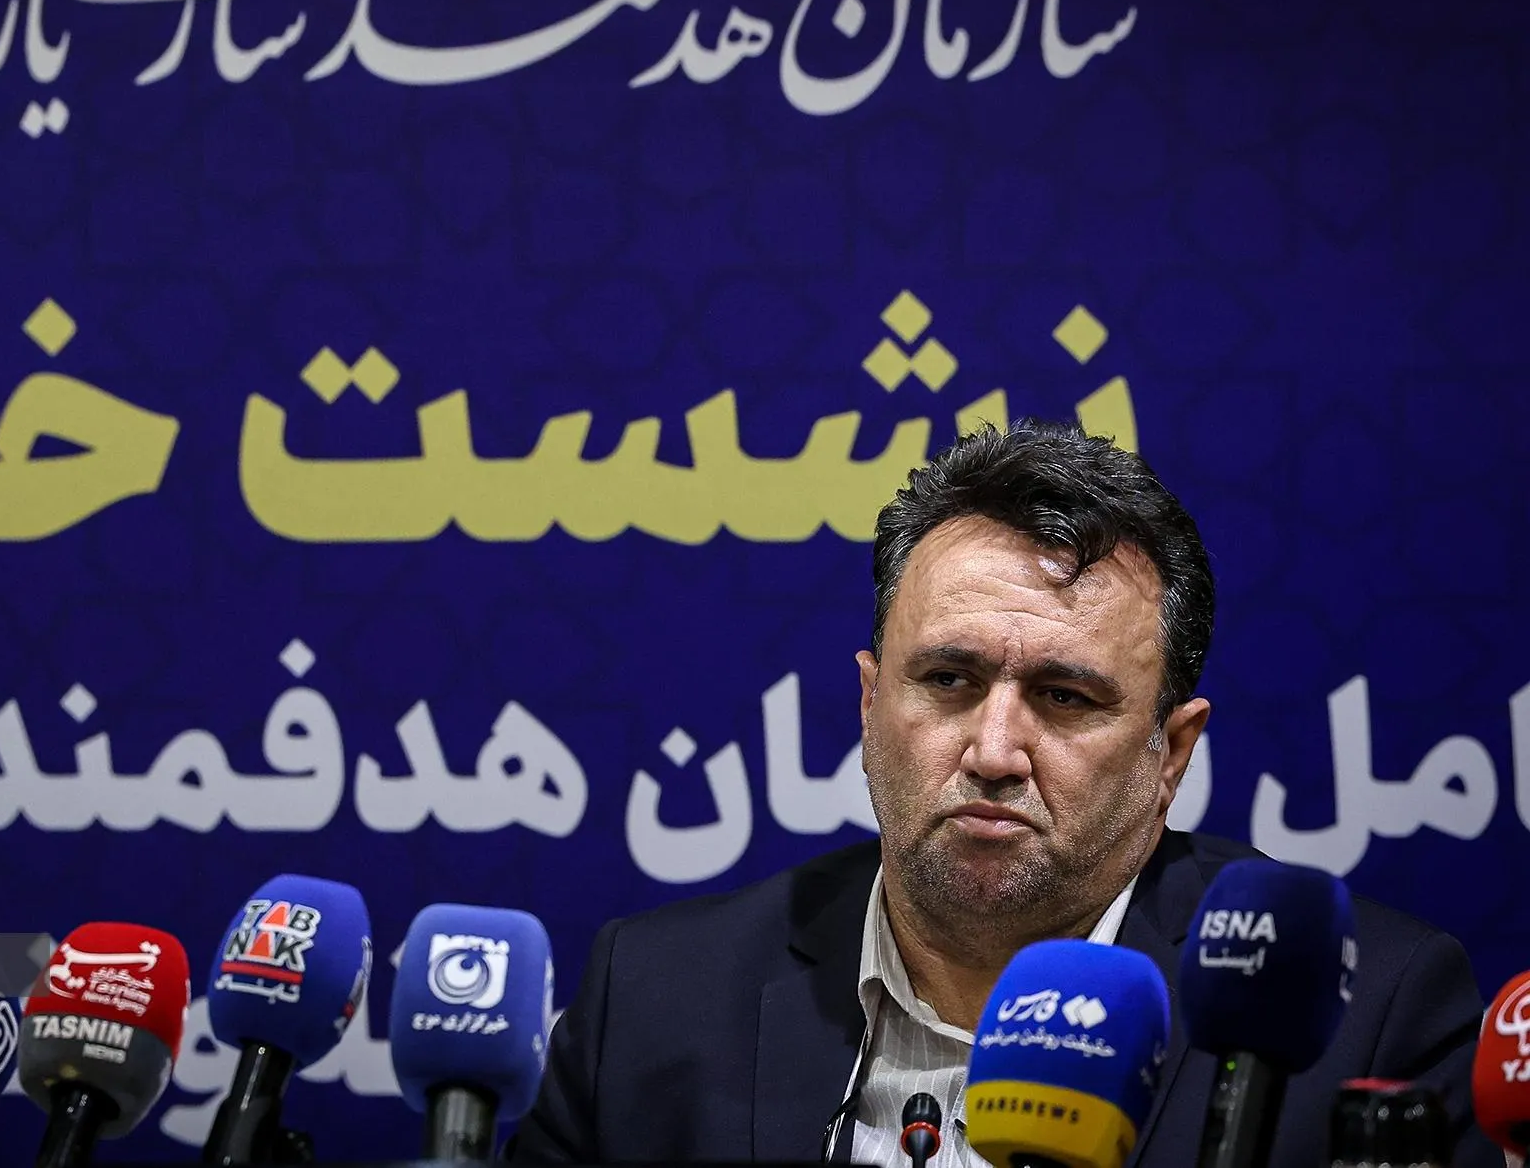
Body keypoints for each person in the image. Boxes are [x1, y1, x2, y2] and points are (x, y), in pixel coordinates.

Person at [510, 422, 1496, 1167]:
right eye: (947, 679)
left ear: (1171, 752)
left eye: (1064, 697)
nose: (992, 751)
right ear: (869, 704)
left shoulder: (1367, 1021)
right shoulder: (652, 1001)